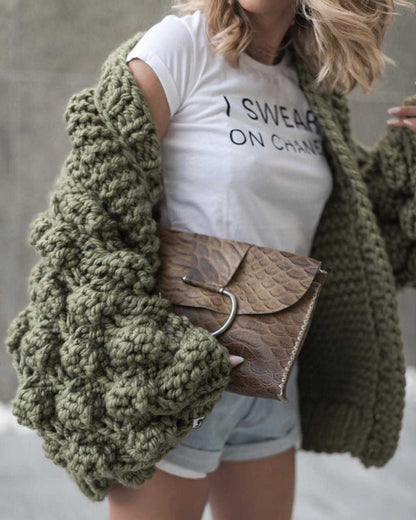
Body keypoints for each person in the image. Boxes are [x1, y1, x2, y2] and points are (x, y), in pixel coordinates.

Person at [105, 0, 416, 519]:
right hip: (176, 372)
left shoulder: (309, 81)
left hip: (269, 370)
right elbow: (98, 213)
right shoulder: (180, 47)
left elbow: (360, 228)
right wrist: (150, 357)